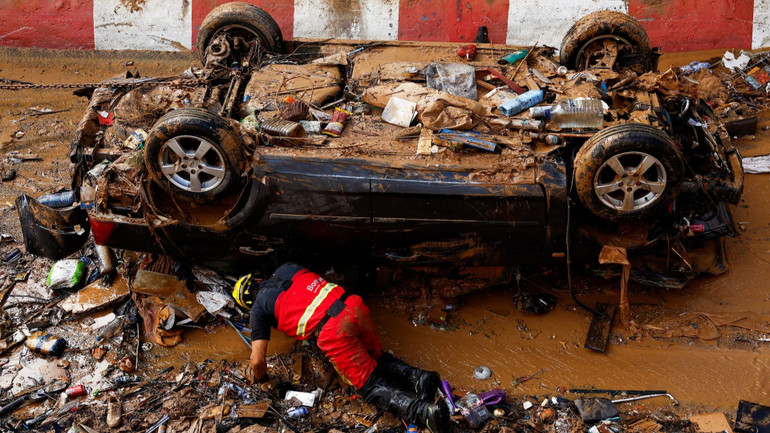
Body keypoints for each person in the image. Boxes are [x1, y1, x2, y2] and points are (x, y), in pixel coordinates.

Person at [232, 262, 450, 432]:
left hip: (333, 330)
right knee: (375, 357)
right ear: (259, 278)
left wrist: (260, 380)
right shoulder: (288, 267)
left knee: (369, 385)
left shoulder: (258, 309)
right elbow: (304, 297)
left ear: (247, 303)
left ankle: (425, 413)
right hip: (353, 305)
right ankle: (419, 378)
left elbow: (257, 361)